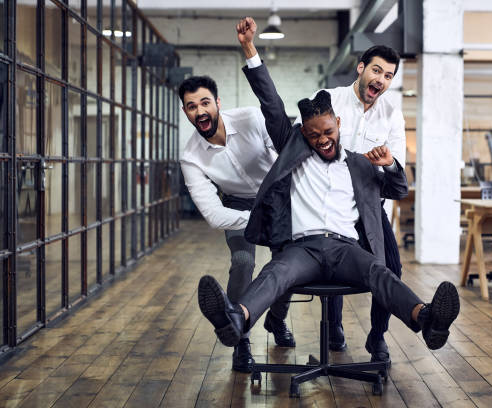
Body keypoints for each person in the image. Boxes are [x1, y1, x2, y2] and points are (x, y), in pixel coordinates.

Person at [197, 17, 460, 358]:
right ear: (303, 134)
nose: (322, 141)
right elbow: (272, 104)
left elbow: (397, 187)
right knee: (274, 273)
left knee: (381, 271)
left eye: (328, 133)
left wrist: (390, 163)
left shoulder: (359, 163)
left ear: (339, 124)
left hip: (344, 247)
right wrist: (249, 49)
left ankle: (426, 320)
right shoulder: (297, 151)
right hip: (303, 249)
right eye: (314, 135)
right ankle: (236, 320)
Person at [294, 44, 405, 362]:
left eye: (388, 75)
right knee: (333, 267)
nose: (381, 80)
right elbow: (304, 145)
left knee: (392, 268)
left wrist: (388, 163)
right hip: (328, 207)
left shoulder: (391, 116)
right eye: (376, 70)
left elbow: (398, 169)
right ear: (361, 68)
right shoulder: (328, 98)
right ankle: (334, 325)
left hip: (370, 208)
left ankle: (377, 337)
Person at [179, 74, 295, 373]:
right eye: (192, 107)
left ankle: (277, 319)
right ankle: (240, 340)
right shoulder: (191, 157)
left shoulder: (251, 118)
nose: (200, 111)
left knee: (288, 261)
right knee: (243, 261)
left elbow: (284, 153)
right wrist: (257, 219)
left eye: (205, 103)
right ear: (185, 112)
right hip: (237, 205)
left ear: (217, 103)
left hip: (276, 196)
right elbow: (215, 215)